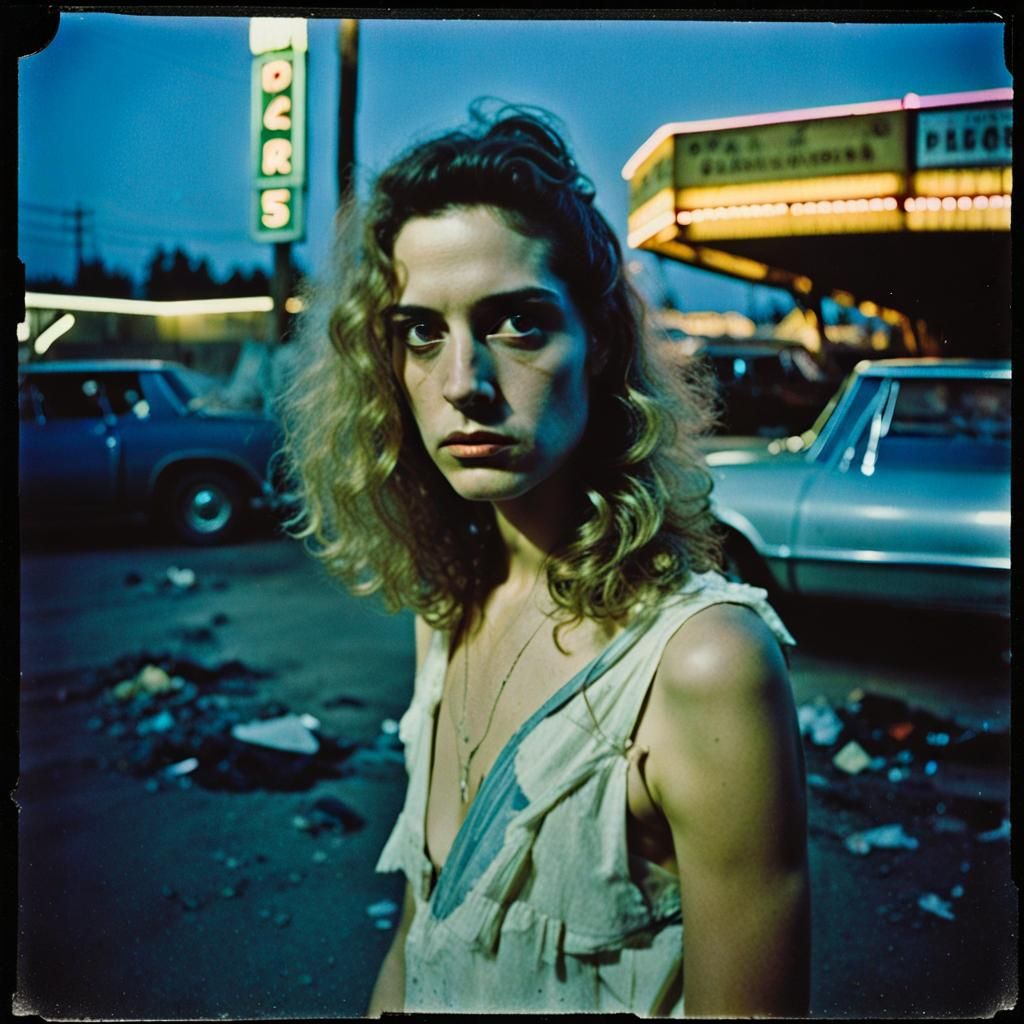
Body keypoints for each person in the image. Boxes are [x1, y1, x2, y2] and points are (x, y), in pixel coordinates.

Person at [281, 101, 810, 1017]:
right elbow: (422, 933)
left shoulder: (700, 665)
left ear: (598, 341)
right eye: (420, 332)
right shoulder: (448, 608)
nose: (462, 385)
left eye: (517, 324)